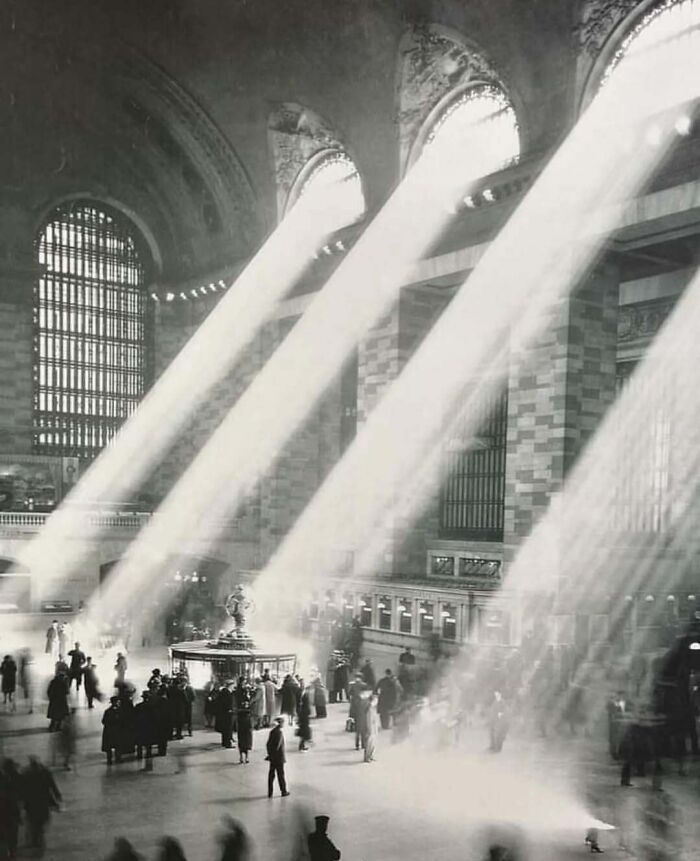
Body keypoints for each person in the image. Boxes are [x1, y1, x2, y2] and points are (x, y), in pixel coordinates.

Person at [21, 756, 61, 857]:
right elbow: (52, 785)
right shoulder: (44, 771)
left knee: (34, 821)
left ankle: (35, 840)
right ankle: (38, 839)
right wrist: (57, 796)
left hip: (32, 802)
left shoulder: (26, 773)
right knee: (40, 821)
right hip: (42, 801)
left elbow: (21, 789)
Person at [0, 758, 22, 859]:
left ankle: (9, 853)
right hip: (10, 815)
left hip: (6, 815)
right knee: (11, 836)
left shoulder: (11, 779)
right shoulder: (13, 779)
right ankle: (11, 853)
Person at [265, 716, 289, 797]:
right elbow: (277, 746)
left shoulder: (272, 732)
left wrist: (270, 754)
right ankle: (283, 791)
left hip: (272, 757)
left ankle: (270, 792)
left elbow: (268, 744)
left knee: (271, 775)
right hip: (279, 758)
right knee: (280, 775)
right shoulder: (279, 733)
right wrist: (275, 754)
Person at [102, 697, 123, 765]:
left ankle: (112, 759)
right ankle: (115, 759)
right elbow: (104, 721)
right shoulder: (115, 711)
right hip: (113, 731)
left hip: (110, 731)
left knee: (114, 746)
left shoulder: (108, 711)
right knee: (115, 745)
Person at [216, 680, 235, 749]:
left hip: (225, 713)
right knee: (228, 728)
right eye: (233, 685)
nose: (234, 686)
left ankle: (225, 742)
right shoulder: (226, 692)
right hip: (227, 713)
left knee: (226, 728)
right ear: (230, 685)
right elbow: (224, 703)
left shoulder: (225, 691)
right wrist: (228, 709)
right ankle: (227, 743)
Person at [363, 693, 379, 763]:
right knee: (369, 742)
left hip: (373, 727)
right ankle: (367, 757)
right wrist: (370, 729)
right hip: (370, 727)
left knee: (373, 743)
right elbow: (369, 720)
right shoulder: (369, 709)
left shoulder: (373, 708)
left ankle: (371, 756)